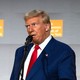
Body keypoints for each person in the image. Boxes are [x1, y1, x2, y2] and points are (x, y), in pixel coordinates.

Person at [10, 10, 77, 80]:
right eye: (27, 26)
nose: (30, 29)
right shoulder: (21, 51)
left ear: (47, 27)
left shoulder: (63, 51)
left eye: (34, 24)